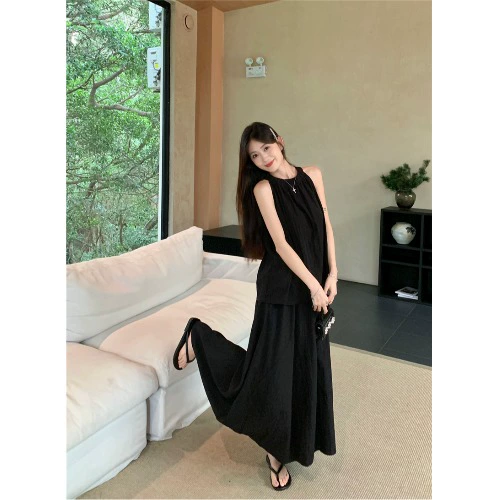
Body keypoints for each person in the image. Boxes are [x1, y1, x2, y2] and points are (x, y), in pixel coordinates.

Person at [173, 121, 338, 491]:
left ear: (279, 141)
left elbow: (325, 224)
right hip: (282, 289)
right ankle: (275, 452)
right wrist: (313, 285)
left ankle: (294, 441)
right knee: (273, 374)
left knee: (306, 367)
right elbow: (280, 245)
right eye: (254, 155)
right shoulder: (263, 189)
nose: (264, 158)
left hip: (314, 285)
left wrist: (332, 272)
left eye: (266, 148)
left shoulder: (313, 175)